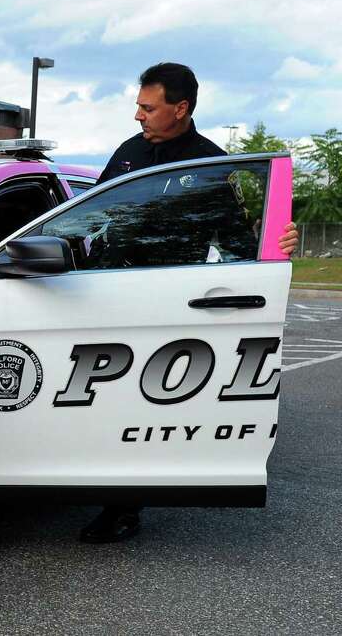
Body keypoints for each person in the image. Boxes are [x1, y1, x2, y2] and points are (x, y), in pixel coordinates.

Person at [79, 62, 299, 544]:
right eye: (138, 105)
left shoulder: (209, 165)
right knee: (101, 398)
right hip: (107, 293)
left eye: (147, 106)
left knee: (143, 402)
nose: (137, 115)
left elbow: (240, 242)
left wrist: (277, 245)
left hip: (168, 299)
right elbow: (90, 214)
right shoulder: (128, 154)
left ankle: (123, 506)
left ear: (181, 109)